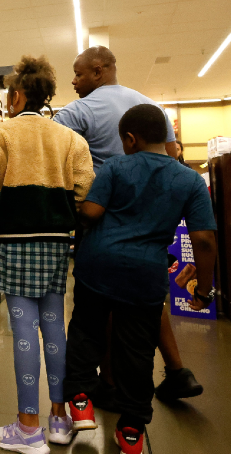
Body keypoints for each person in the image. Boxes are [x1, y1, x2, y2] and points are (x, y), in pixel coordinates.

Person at [65, 104, 217, 454]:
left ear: (130, 139)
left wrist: (74, 205)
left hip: (98, 267)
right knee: (136, 351)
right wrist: (203, 289)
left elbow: (91, 213)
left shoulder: (117, 166)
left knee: (87, 332)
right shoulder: (190, 179)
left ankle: (82, 404)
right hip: (145, 276)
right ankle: (131, 433)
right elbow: (205, 240)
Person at [54, 46, 203, 404]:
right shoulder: (148, 107)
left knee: (103, 299)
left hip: (102, 213)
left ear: (100, 70)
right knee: (146, 300)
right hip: (152, 219)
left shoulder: (80, 109)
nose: (73, 81)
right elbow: (172, 157)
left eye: (78, 73)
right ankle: (177, 370)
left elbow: (48, 146)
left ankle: (108, 382)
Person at [0, 55, 94, 454]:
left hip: (16, 243)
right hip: (56, 244)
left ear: (19, 94)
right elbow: (85, 190)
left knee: (24, 331)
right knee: (54, 326)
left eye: (8, 95)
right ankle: (58, 418)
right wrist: (64, 221)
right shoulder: (72, 139)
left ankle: (27, 428)